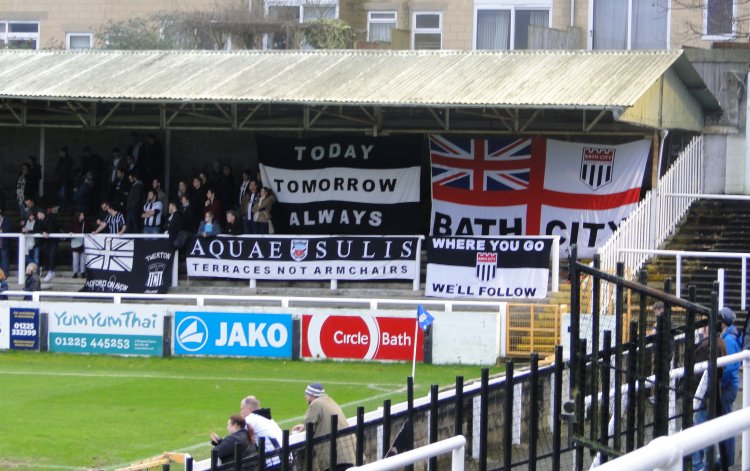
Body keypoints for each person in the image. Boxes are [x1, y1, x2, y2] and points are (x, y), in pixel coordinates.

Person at [291, 383, 356, 471]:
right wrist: (303, 427)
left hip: (334, 456)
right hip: (347, 454)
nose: (305, 397)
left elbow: (309, 423)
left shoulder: (315, 404)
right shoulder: (329, 400)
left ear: (312, 395)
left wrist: (305, 426)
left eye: (307, 395)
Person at [691, 321, 728, 471]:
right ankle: (710, 462)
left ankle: (699, 465)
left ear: (707, 328)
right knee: (709, 430)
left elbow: (698, 374)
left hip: (703, 395)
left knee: (695, 432)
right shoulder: (721, 343)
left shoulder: (706, 346)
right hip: (713, 393)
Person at [718, 306, 741, 467]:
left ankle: (727, 459)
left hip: (727, 388)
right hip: (729, 386)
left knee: (726, 425)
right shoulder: (730, 336)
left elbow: (731, 366)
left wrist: (719, 382)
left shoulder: (729, 340)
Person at [241, 396, 284, 468]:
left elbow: (238, 437)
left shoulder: (250, 419)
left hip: (274, 463)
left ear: (247, 408)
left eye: (242, 409)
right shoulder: (268, 419)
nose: (241, 412)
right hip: (286, 458)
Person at [36, 208, 60, 282]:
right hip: (47, 242)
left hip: (53, 241)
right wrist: (42, 232)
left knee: (51, 255)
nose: (37, 215)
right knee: (48, 256)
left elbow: (51, 229)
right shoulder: (40, 221)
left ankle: (51, 271)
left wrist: (44, 232)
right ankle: (51, 271)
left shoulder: (49, 220)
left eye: (38, 214)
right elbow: (36, 228)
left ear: (42, 213)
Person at [69, 211, 87, 279]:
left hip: (83, 242)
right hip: (75, 243)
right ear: (78, 216)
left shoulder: (85, 223)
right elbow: (70, 231)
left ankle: (82, 272)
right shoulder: (73, 223)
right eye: (82, 215)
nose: (83, 216)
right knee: (75, 259)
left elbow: (89, 230)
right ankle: (75, 272)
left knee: (83, 259)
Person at [0, 208, 11, 276]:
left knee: (4, 258)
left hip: (4, 243)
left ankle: (5, 274)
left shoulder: (6, 220)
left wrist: (2, 230)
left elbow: (8, 228)